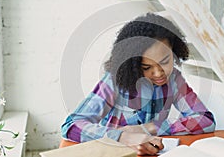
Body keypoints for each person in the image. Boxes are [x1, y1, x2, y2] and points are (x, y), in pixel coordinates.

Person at [61, 13, 215, 155]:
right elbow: (72, 125)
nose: (159, 73)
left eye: (165, 61)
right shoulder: (114, 80)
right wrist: (123, 136)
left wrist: (148, 128)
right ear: (133, 64)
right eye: (147, 67)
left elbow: (205, 120)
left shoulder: (174, 79)